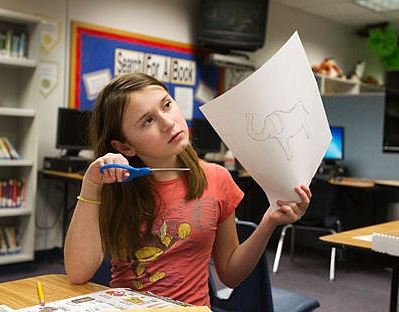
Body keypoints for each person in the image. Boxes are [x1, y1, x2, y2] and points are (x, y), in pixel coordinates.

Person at [64, 72, 311, 307]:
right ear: (125, 147)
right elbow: (77, 272)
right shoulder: (114, 183)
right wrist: (91, 185)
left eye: (167, 105)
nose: (168, 122)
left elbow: (231, 275)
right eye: (148, 120)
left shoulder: (216, 178)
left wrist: (268, 222)